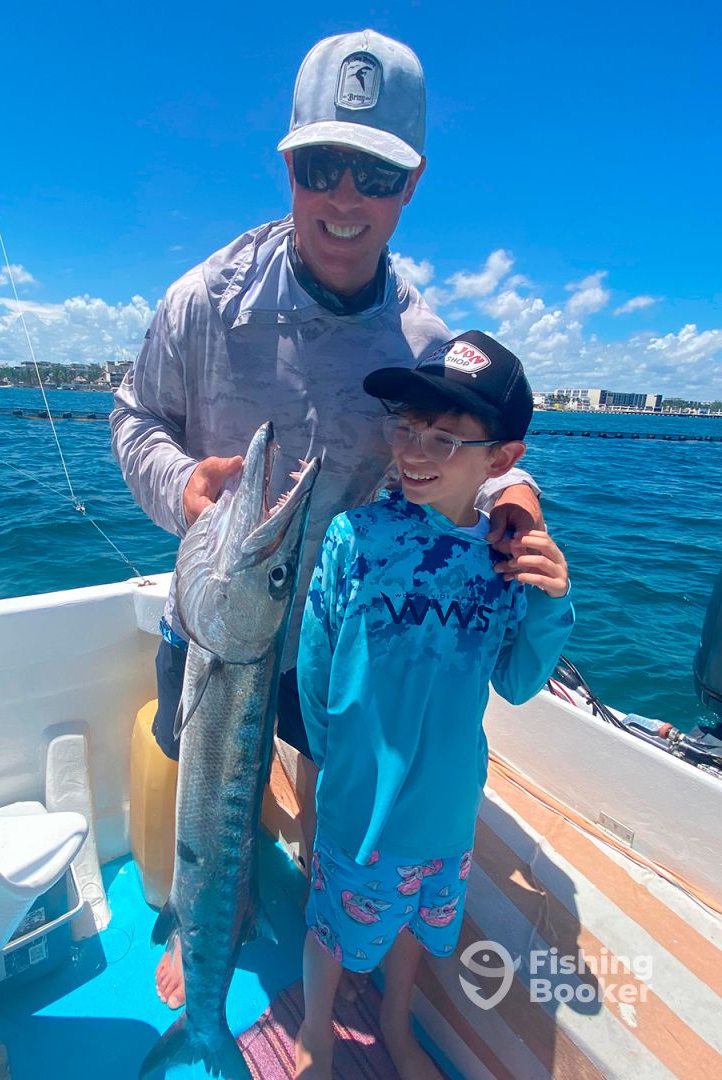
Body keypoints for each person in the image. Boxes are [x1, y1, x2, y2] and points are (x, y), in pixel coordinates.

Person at [110, 30, 544, 1010]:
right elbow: (134, 418)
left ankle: (320, 908)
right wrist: (182, 487)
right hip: (218, 615)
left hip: (344, 628)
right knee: (202, 774)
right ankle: (209, 910)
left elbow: (477, 452)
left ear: (411, 184)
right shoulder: (206, 300)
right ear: (288, 166)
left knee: (329, 778)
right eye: (322, 166)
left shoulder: (422, 340)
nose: (345, 196)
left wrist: (519, 500)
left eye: (375, 174)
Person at [293, 330, 575, 1079]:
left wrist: (552, 602)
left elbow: (518, 681)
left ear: (501, 460)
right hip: (359, 805)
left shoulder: (503, 562)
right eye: (407, 428)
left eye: (444, 439)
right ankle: (316, 1031)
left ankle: (396, 1022)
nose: (414, 452)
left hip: (448, 812)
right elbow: (316, 671)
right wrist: (335, 769)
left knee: (418, 927)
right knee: (329, 926)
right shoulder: (355, 537)